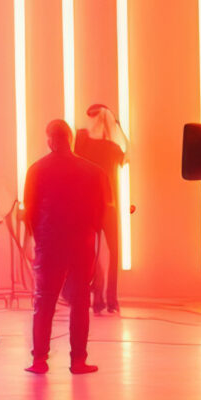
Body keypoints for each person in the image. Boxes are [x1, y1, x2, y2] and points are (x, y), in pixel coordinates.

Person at [21, 118, 108, 375]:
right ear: (70, 139)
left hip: (50, 244)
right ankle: (78, 361)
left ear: (49, 140)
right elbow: (100, 212)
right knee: (80, 302)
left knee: (44, 302)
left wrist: (40, 239)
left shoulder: (37, 170)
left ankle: (39, 360)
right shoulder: (93, 171)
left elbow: (31, 212)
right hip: (81, 244)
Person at [75, 104, 129, 315]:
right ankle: (111, 300)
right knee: (113, 251)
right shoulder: (112, 148)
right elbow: (128, 152)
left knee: (92, 251)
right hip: (108, 204)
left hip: (89, 204)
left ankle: (98, 298)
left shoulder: (83, 142)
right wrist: (119, 126)